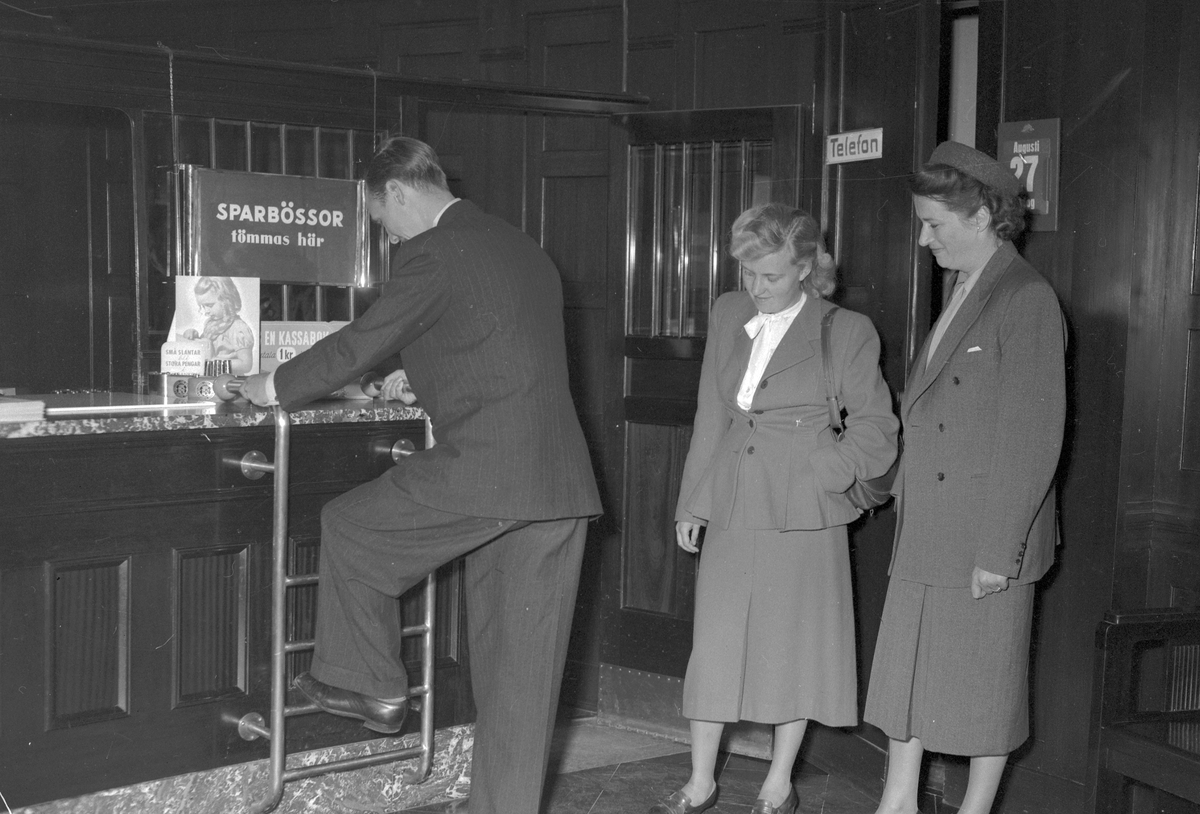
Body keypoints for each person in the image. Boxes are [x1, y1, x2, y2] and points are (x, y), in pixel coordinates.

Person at [241, 136, 602, 814]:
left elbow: (362, 339)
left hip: (491, 473)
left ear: (399, 193)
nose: (390, 237)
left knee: (351, 526)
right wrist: (421, 377)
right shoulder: (520, 245)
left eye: (384, 222)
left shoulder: (433, 250)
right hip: (558, 485)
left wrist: (273, 385)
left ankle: (373, 684)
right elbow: (499, 344)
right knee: (521, 685)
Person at [654, 204, 900, 814]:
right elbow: (711, 413)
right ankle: (699, 783)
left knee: (794, 647)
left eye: (771, 276)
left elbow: (878, 429)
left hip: (804, 511)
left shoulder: (846, 329)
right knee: (715, 643)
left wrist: (822, 471)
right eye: (748, 273)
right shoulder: (728, 312)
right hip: (734, 498)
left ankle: (777, 785)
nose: (756, 288)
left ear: (808, 268)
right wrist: (693, 502)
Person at [863, 141, 1067, 814]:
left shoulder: (1025, 297)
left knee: (984, 689)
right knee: (909, 676)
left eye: (934, 224)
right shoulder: (964, 288)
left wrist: (999, 551)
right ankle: (898, 800)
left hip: (984, 534)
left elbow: (1032, 438)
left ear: (981, 215)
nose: (924, 239)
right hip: (929, 525)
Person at [179, 275, 255, 374]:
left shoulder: (238, 328)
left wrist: (213, 361)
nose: (206, 311)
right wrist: (194, 335)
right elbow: (206, 345)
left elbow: (246, 365)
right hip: (209, 375)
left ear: (226, 300)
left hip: (228, 378)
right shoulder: (211, 323)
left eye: (209, 305)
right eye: (203, 306)